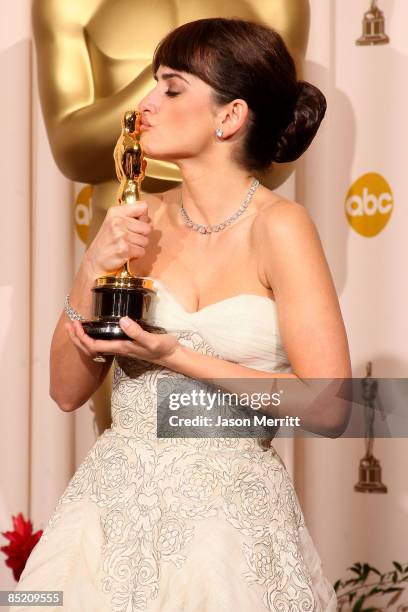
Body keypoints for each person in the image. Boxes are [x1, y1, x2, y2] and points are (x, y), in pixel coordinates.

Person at [14, 18, 351, 611]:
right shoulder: (135, 221)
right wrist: (94, 261)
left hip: (229, 521)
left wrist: (175, 356)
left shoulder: (281, 228)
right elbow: (66, 391)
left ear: (230, 116)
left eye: (171, 88)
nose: (143, 105)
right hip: (109, 510)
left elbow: (328, 404)